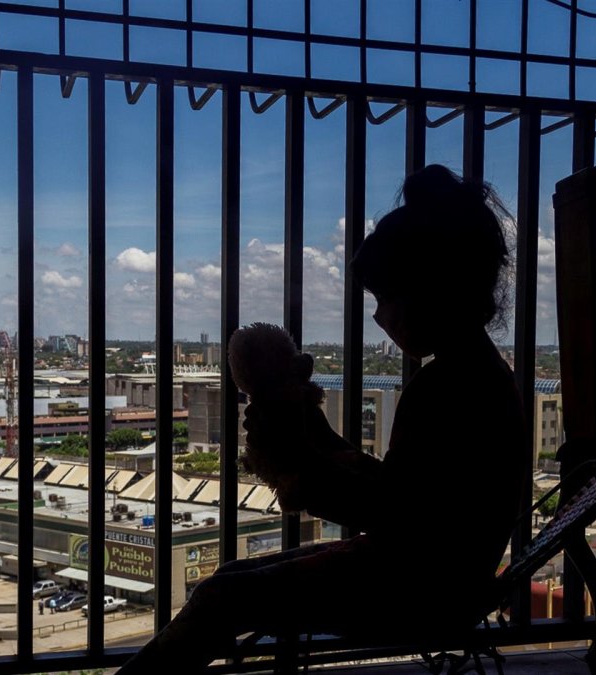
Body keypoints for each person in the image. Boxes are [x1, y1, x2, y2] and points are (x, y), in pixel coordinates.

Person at [116, 164, 528, 674]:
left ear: (431, 291)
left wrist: (299, 469)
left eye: (386, 299)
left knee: (221, 597)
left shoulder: (450, 387)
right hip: (441, 579)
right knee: (224, 585)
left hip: (419, 589)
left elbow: (390, 512)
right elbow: (409, 500)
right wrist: (317, 441)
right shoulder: (477, 378)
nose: (379, 318)